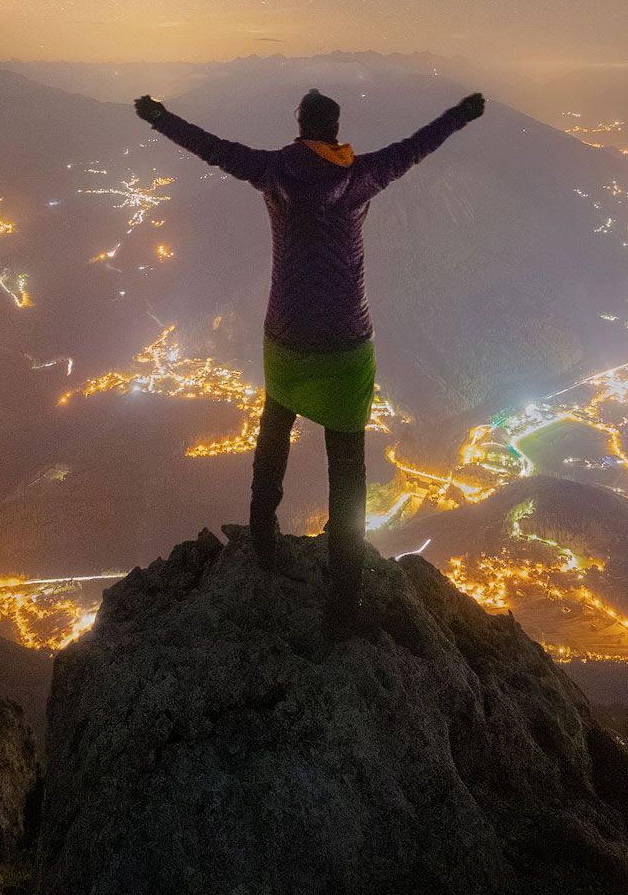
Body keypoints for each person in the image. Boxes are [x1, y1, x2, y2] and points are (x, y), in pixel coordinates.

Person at [133, 82, 486, 638]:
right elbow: (418, 146)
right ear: (337, 130)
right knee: (348, 469)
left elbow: (210, 146)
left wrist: (158, 117)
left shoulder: (275, 170)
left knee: (274, 428)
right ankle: (345, 600)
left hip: (288, 335)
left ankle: (262, 535)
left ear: (300, 126)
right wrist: (461, 114)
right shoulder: (360, 175)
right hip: (347, 343)